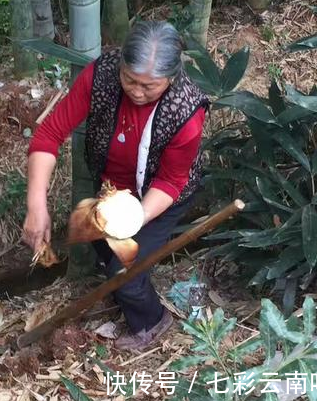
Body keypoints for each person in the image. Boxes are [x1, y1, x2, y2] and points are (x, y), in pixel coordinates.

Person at [22, 20, 209, 351]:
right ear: (120, 63)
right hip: (113, 184)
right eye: (130, 79)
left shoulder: (186, 110)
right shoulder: (102, 75)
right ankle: (119, 287)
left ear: (171, 77)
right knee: (91, 233)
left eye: (149, 86)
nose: (137, 91)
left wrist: (132, 219)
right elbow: (50, 133)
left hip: (162, 195)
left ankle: (151, 322)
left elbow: (171, 180)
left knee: (126, 272)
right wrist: (36, 205)